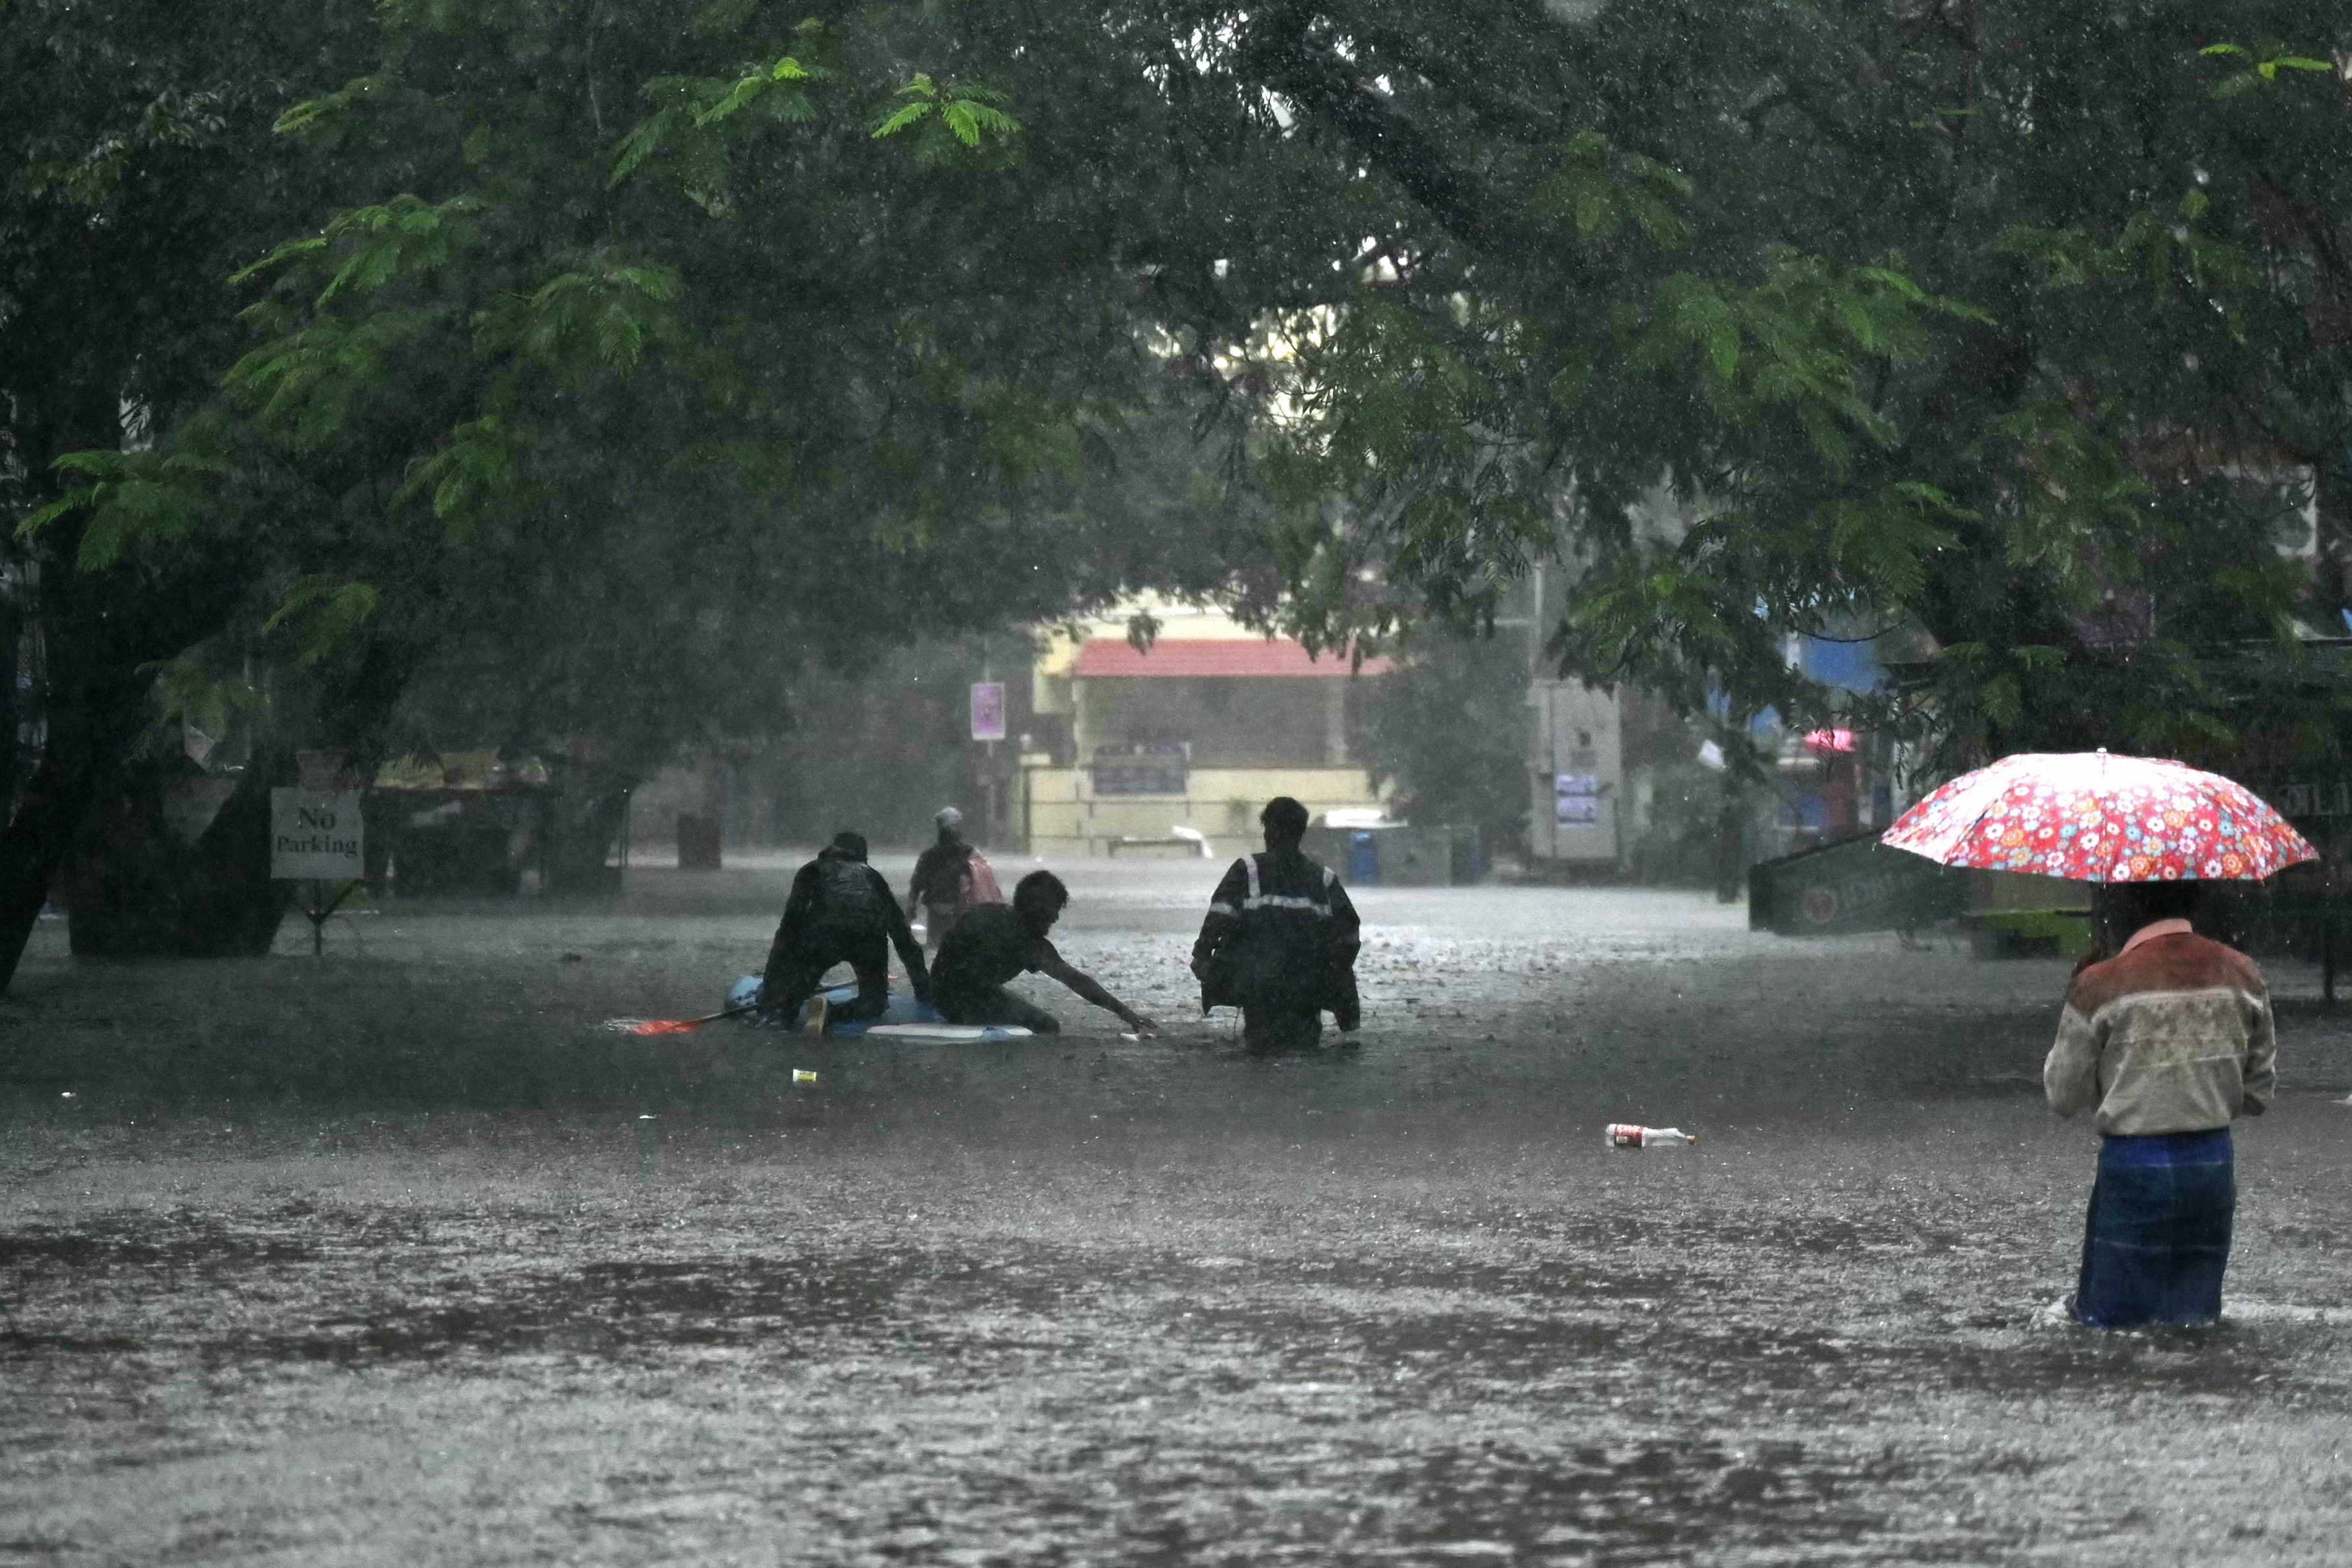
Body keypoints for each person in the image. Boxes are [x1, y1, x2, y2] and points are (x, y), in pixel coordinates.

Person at [2045, 879, 2275, 1327]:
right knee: (2195, 1324)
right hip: (2211, 1166)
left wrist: (2076, 998)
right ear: (2196, 897)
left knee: (2109, 1328)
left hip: (2134, 1167)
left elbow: (2063, 1095)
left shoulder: (2100, 983)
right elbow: (2258, 1093)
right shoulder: (2243, 972)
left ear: (2126, 903)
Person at [1190, 796, 1362, 1051]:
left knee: (1261, 1053)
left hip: (1259, 984)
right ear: (1301, 833)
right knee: (1305, 1051)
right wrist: (1334, 973)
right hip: (1307, 986)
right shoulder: (1323, 878)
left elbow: (1219, 917)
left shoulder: (1247, 870)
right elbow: (1349, 935)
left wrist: (1203, 956)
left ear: (1270, 830)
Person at [931, 869, 1156, 1036]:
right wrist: (1126, 1013)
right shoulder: (1030, 946)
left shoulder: (984, 913)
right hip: (962, 1000)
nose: (1055, 919)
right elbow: (1076, 981)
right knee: (1048, 1026)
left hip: (946, 992)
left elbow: (945, 957)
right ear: (1037, 909)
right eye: (1053, 912)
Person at [759, 831, 929, 1035]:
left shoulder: (811, 870)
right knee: (874, 1004)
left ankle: (782, 1012)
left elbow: (788, 929)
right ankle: (830, 1013)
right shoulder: (873, 876)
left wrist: (771, 986)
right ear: (862, 856)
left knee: (790, 1000)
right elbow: (901, 934)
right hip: (868, 938)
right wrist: (923, 990)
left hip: (823, 936)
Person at [904, 805, 1002, 950]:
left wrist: (911, 911)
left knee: (938, 949)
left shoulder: (929, 856)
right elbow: (986, 886)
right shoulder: (969, 854)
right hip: (958, 911)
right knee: (957, 950)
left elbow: (916, 886)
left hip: (942, 910)